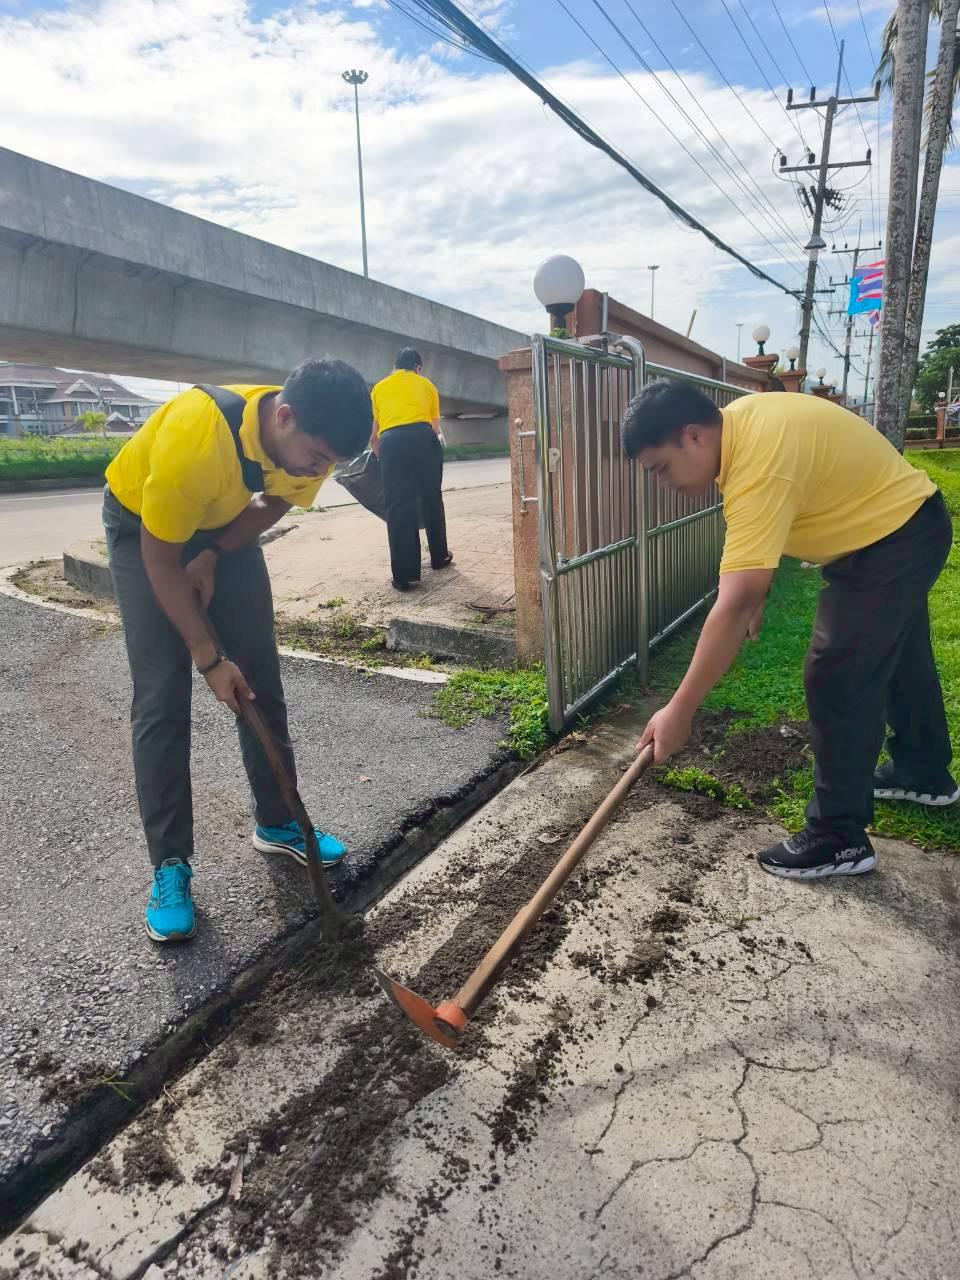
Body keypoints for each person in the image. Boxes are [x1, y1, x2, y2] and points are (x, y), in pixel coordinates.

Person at [622, 381, 957, 880]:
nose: (664, 484)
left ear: (692, 436)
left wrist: (680, 709)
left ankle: (837, 835)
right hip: (905, 524)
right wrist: (756, 586)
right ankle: (922, 770)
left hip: (890, 538)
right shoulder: (742, 427)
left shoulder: (758, 461)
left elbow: (732, 605)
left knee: (837, 672)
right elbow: (782, 509)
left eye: (662, 468)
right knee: (901, 655)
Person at [103, 359, 373, 942]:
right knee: (161, 693)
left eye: (331, 463)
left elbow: (277, 499)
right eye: (319, 457)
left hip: (221, 525)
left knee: (259, 678)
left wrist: (216, 554)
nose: (320, 471)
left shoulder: (309, 443)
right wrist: (207, 658)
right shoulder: (195, 439)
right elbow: (160, 560)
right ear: (284, 416)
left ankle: (278, 822)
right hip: (142, 529)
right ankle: (170, 866)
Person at [370, 348, 452, 591]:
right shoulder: (427, 385)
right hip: (423, 439)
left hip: (391, 442)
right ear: (418, 367)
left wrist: (383, 459)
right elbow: (435, 429)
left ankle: (405, 576)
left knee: (398, 506)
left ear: (394, 366)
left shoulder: (378, 388)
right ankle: (439, 557)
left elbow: (374, 436)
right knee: (431, 497)